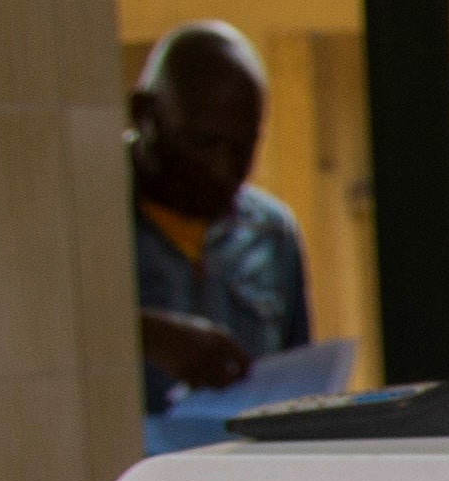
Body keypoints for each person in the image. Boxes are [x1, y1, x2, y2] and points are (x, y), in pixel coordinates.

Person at [125, 20, 311, 408]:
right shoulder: (84, 226)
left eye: (242, 150)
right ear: (144, 115)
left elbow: (298, 384)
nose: (222, 169)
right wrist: (141, 334)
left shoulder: (272, 234)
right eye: (203, 144)